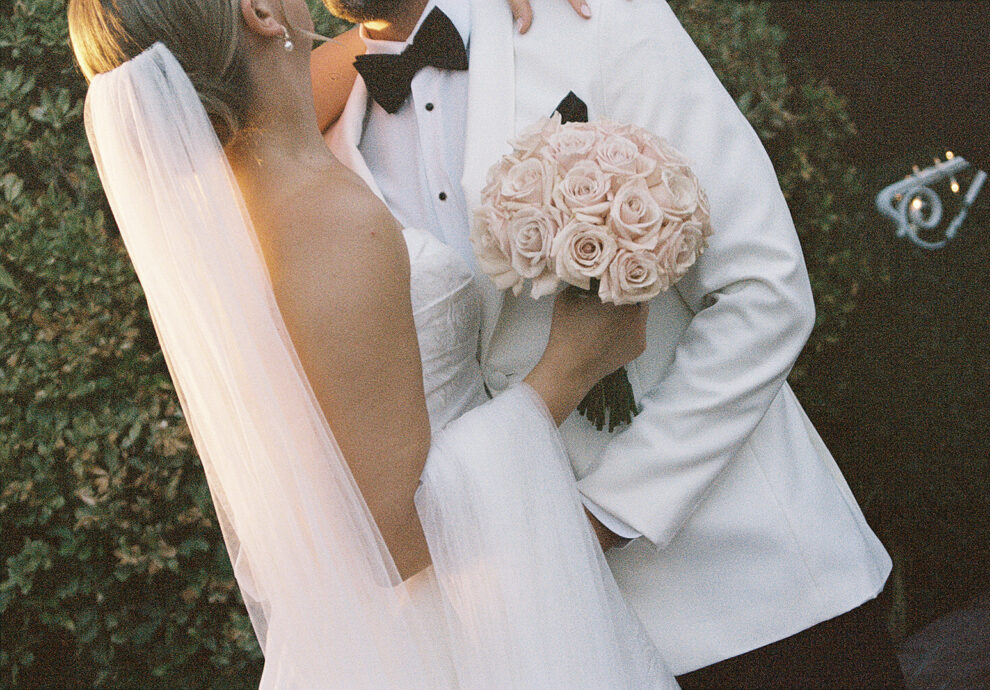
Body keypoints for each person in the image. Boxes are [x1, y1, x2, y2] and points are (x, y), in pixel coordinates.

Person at [67, 0, 680, 686]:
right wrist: (565, 372)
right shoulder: (326, 222)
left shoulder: (236, 195)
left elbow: (350, 48)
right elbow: (391, 543)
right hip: (451, 641)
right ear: (263, 12)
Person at [312, 0, 904, 686]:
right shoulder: (324, 147)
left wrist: (602, 519)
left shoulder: (601, 18)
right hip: (559, 653)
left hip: (759, 595)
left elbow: (761, 289)